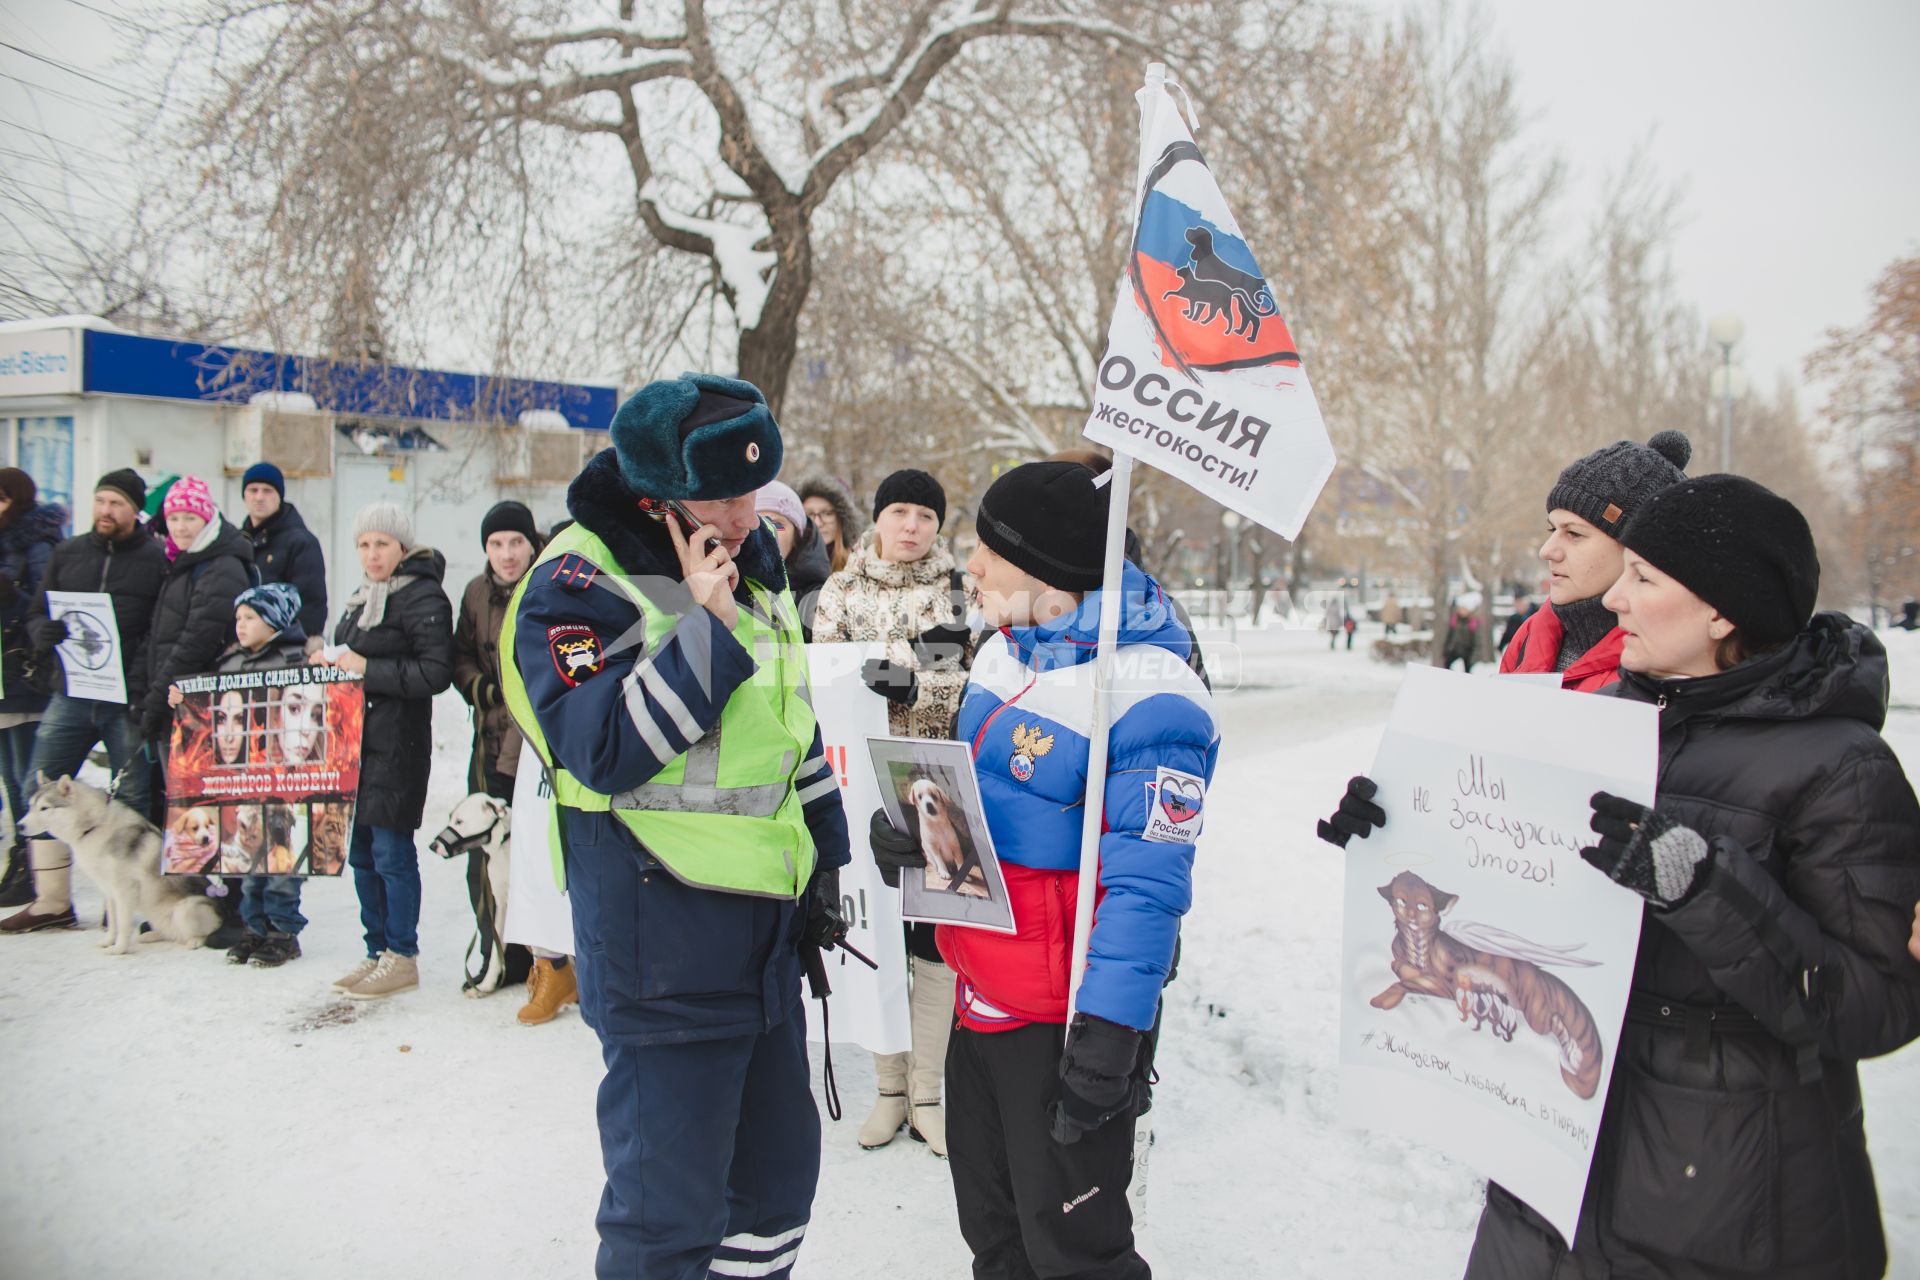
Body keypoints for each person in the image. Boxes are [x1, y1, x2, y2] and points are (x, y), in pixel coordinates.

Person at [1324, 474, 1920, 1279]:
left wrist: (1702, 884)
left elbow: (1873, 1006)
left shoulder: (1840, 768)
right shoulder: (1597, 720)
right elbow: (1506, 883)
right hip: (1547, 1164)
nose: (1615, 601)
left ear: (1721, 611)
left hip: (1725, 1198)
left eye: (1644, 578)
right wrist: (1396, 834)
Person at [500, 372, 851, 1278]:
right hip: (661, 936)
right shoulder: (576, 581)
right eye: (724, 493)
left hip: (762, 937)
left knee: (774, 1196)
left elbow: (787, 727)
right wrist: (707, 629)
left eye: (755, 487)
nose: (747, 512)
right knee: (668, 1222)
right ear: (658, 487)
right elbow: (603, 749)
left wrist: (829, 857)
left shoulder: (750, 557)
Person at [870, 460, 1219, 1278]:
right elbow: (982, 818)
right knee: (994, 1237)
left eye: (989, 550)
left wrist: (1109, 1039)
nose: (973, 568)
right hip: (977, 1000)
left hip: (1061, 1030)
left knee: (1074, 1257)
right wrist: (918, 842)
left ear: (1052, 571)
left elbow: (1146, 885)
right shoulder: (1000, 655)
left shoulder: (1152, 693)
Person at [812, 467, 971, 1156]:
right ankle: (889, 1089)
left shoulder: (956, 588)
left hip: (936, 777)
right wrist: (887, 674)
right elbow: (826, 674)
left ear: (939, 526)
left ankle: (929, 1093)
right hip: (860, 783)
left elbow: (952, 679)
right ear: (877, 518)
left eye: (925, 516)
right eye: (899, 511)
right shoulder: (841, 589)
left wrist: (889, 675)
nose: (911, 525)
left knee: (933, 942)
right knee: (874, 933)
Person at [3, 471, 166, 934]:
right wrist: (42, 633)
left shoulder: (155, 559)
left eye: (116, 503)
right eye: (100, 501)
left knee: (134, 794)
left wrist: (142, 683)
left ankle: (135, 904)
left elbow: (161, 627)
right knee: (42, 781)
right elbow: (37, 612)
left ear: (135, 510)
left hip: (125, 698)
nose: (106, 511)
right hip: (71, 691)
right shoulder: (68, 552)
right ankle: (52, 900)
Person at [317, 502, 453, 1000]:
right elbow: (351, 659)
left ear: (402, 546)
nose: (372, 554)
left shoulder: (423, 595)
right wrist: (329, 662)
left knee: (391, 853)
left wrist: (360, 667)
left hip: (398, 745)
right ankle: (376, 951)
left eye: (381, 544)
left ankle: (402, 954)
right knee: (360, 855)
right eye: (363, 544)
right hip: (353, 747)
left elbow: (434, 673)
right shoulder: (361, 597)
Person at [452, 499, 568, 1019]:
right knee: (490, 854)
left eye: (515, 542)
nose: (506, 553)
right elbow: (457, 656)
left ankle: (550, 962)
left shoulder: (548, 581)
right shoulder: (476, 593)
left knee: (543, 855)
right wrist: (481, 689)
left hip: (539, 745)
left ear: (532, 543)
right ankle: (497, 950)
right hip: (491, 742)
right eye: (496, 544)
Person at [169, 582, 312, 966]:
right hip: (242, 780)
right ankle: (255, 927)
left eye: (250, 617)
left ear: (275, 621)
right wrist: (184, 702)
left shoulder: (296, 661)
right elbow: (208, 715)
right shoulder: (229, 664)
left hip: (285, 783)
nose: (241, 625)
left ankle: (283, 930)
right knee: (247, 862)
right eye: (238, 618)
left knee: (281, 860)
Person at [1500, 431, 1691, 691]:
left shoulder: (1673, 667)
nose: (1548, 550)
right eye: (1552, 530)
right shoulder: (1530, 633)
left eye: (1574, 534)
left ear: (1636, 552)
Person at [0, 469, 68, 907]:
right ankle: (20, 860)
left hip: (27, 671)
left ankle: (38, 873)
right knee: (10, 777)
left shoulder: (37, 541)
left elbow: (49, 605)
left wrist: (10, 594)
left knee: (30, 779)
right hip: (3, 673)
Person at [236, 461, 328, 638]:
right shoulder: (239, 542)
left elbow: (311, 602)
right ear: (244, 496)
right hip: (245, 645)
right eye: (253, 490)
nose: (259, 497)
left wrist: (302, 639)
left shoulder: (301, 542)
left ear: (280, 495)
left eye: (267, 491)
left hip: (284, 649)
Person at [757, 480, 831, 639]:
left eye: (777, 524)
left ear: (797, 537)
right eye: (758, 522)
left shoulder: (822, 599)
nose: (768, 531)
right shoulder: (726, 588)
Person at [799, 476, 860, 576]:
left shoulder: (860, 568)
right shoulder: (784, 568)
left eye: (827, 513)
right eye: (809, 514)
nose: (817, 523)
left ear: (843, 520)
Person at [1442, 601, 1480, 671]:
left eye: (1464, 609)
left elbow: (1476, 641)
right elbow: (1450, 636)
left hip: (1467, 651)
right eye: (1461, 609)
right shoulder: (1455, 620)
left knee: (1467, 670)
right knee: (1447, 665)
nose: (1462, 611)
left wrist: (1474, 656)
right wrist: (1446, 649)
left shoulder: (1472, 622)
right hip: (1455, 649)